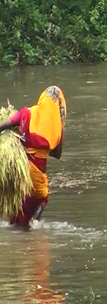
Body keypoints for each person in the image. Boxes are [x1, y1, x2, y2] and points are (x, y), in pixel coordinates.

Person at [0, 86, 66, 231]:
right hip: (36, 171)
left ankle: (17, 232)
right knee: (42, 198)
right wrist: (61, 129)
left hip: (18, 169)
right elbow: (57, 154)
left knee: (18, 200)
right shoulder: (56, 128)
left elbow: (5, 125)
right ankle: (33, 225)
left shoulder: (27, 113)